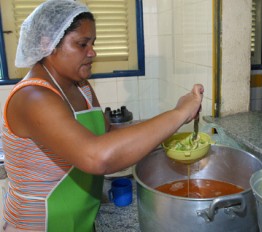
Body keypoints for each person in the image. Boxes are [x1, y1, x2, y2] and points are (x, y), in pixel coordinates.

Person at [1, 0, 204, 231]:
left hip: (83, 219)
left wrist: (168, 129)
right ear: (48, 44)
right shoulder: (33, 97)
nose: (92, 52)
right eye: (82, 44)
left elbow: (107, 133)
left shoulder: (80, 86)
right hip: (40, 225)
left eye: (93, 43)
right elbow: (96, 157)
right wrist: (177, 114)